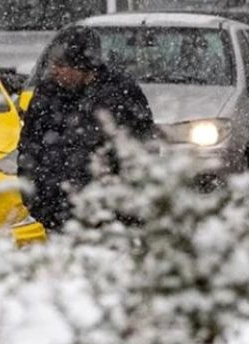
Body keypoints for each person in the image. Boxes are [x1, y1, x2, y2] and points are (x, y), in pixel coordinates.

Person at [19, 26, 156, 231]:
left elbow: (143, 152)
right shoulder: (46, 94)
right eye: (51, 64)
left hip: (110, 220)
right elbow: (29, 148)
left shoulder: (121, 94)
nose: (54, 70)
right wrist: (36, 201)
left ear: (83, 67)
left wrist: (125, 210)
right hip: (58, 217)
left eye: (61, 65)